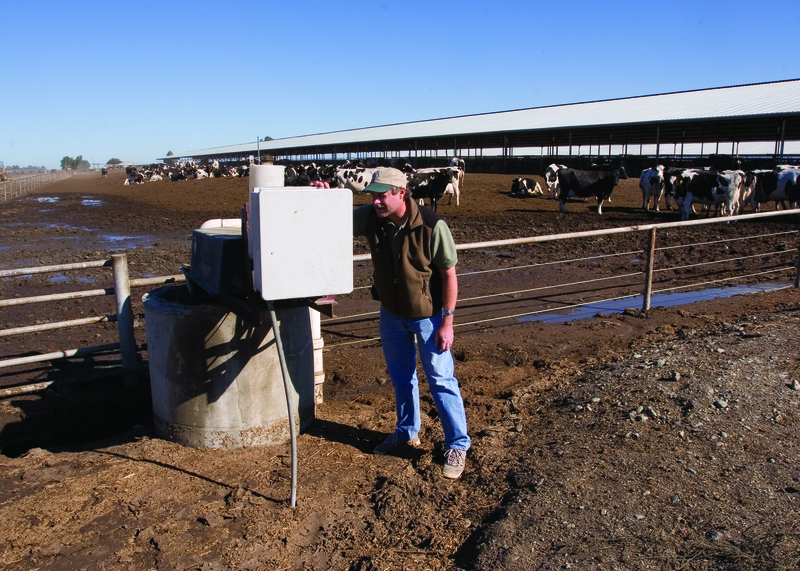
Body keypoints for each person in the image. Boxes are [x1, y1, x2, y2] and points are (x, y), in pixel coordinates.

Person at [353, 167, 471, 479]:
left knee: (441, 379)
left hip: (429, 317)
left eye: (382, 195)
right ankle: (406, 431)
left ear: (401, 193)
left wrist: (448, 321)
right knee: (401, 377)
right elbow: (332, 217)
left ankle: (457, 444)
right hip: (391, 315)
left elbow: (449, 274)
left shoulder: (432, 225)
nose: (375, 201)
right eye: (373, 195)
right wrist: (320, 194)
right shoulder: (370, 217)